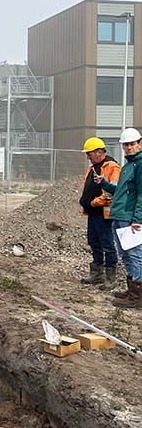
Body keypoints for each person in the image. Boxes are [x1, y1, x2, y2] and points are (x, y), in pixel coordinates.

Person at [96, 128, 142, 308]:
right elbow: (122, 190)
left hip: (130, 218)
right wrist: (105, 183)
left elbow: (141, 195)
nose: (129, 147)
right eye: (126, 145)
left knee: (135, 254)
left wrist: (137, 218)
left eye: (132, 144)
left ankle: (138, 295)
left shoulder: (139, 165)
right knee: (125, 254)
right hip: (120, 215)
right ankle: (133, 290)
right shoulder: (129, 165)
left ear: (139, 143)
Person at [78, 137, 120, 289]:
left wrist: (95, 202)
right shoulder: (93, 167)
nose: (87, 157)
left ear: (99, 152)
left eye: (89, 153)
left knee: (107, 244)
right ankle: (97, 273)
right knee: (94, 241)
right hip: (93, 213)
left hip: (104, 214)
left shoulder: (112, 167)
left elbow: (112, 191)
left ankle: (111, 277)